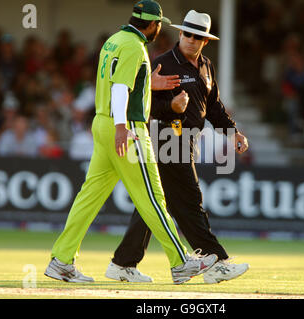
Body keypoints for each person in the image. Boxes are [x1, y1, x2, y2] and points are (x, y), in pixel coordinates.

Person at [44, 0, 217, 285]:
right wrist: (123, 127)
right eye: (158, 25)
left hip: (102, 123)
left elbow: (118, 81)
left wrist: (149, 83)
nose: (158, 30)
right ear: (153, 25)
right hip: (127, 127)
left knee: (89, 198)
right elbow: (122, 89)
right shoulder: (135, 47)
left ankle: (61, 260)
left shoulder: (113, 41)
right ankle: (181, 261)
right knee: (153, 197)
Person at [106, 10, 250, 285]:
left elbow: (214, 108)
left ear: (205, 41)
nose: (191, 40)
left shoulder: (206, 65)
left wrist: (233, 133)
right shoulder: (161, 64)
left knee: (155, 205)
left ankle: (123, 263)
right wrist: (169, 107)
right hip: (164, 138)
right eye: (187, 34)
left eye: (198, 37)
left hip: (187, 141)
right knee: (189, 201)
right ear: (181, 34)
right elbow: (140, 106)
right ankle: (215, 261)